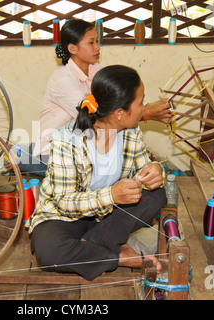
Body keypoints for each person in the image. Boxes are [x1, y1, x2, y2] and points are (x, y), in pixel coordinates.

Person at [28, 65, 167, 281]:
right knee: (48, 251)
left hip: (107, 218)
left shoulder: (131, 131)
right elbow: (64, 202)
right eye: (140, 103)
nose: (143, 109)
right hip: (64, 216)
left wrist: (155, 171)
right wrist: (110, 195)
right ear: (120, 113)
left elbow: (143, 168)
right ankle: (117, 256)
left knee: (157, 195)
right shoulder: (66, 140)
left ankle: (93, 250)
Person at [16, 19, 172, 176]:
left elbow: (118, 102)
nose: (98, 47)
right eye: (91, 42)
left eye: (97, 41)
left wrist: (145, 106)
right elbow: (95, 120)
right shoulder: (62, 79)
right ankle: (20, 155)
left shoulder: (95, 70)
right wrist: (146, 113)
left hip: (83, 145)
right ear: (73, 48)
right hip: (53, 152)